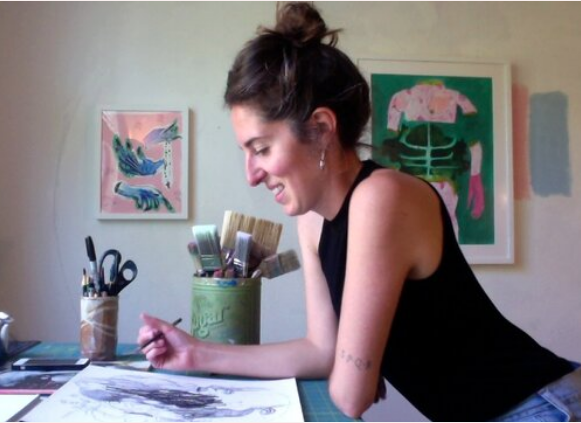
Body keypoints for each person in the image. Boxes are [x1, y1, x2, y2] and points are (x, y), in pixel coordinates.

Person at [138, 3, 581, 420]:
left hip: (541, 406)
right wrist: (194, 352)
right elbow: (322, 352)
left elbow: (352, 394)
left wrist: (357, 369)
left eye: (262, 149)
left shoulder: (383, 197)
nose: (251, 175)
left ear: (321, 128)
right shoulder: (311, 220)